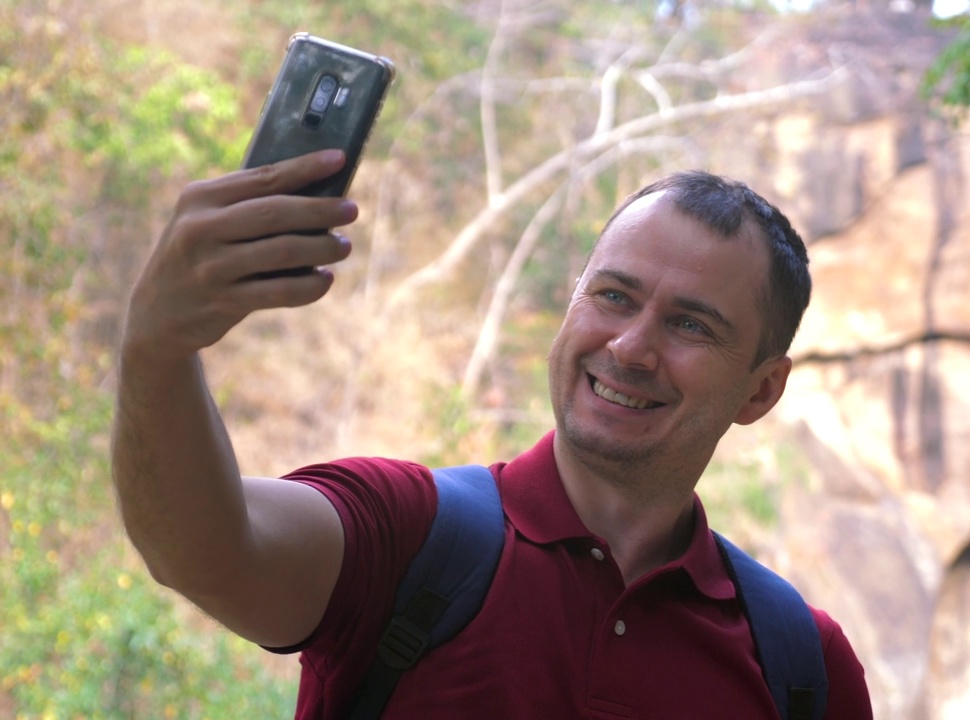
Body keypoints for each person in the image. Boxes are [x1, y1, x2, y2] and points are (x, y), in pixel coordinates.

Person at [111, 149, 873, 719]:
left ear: (762, 389)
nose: (631, 347)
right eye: (613, 295)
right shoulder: (407, 536)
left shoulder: (803, 668)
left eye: (689, 325)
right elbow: (205, 549)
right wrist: (157, 352)